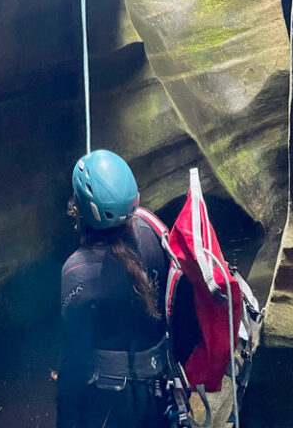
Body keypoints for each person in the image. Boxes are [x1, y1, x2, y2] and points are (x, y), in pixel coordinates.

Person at [56, 150, 171, 428]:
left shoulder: (78, 271)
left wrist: (66, 418)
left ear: (79, 208)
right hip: (159, 389)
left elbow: (75, 359)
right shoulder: (154, 232)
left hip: (113, 402)